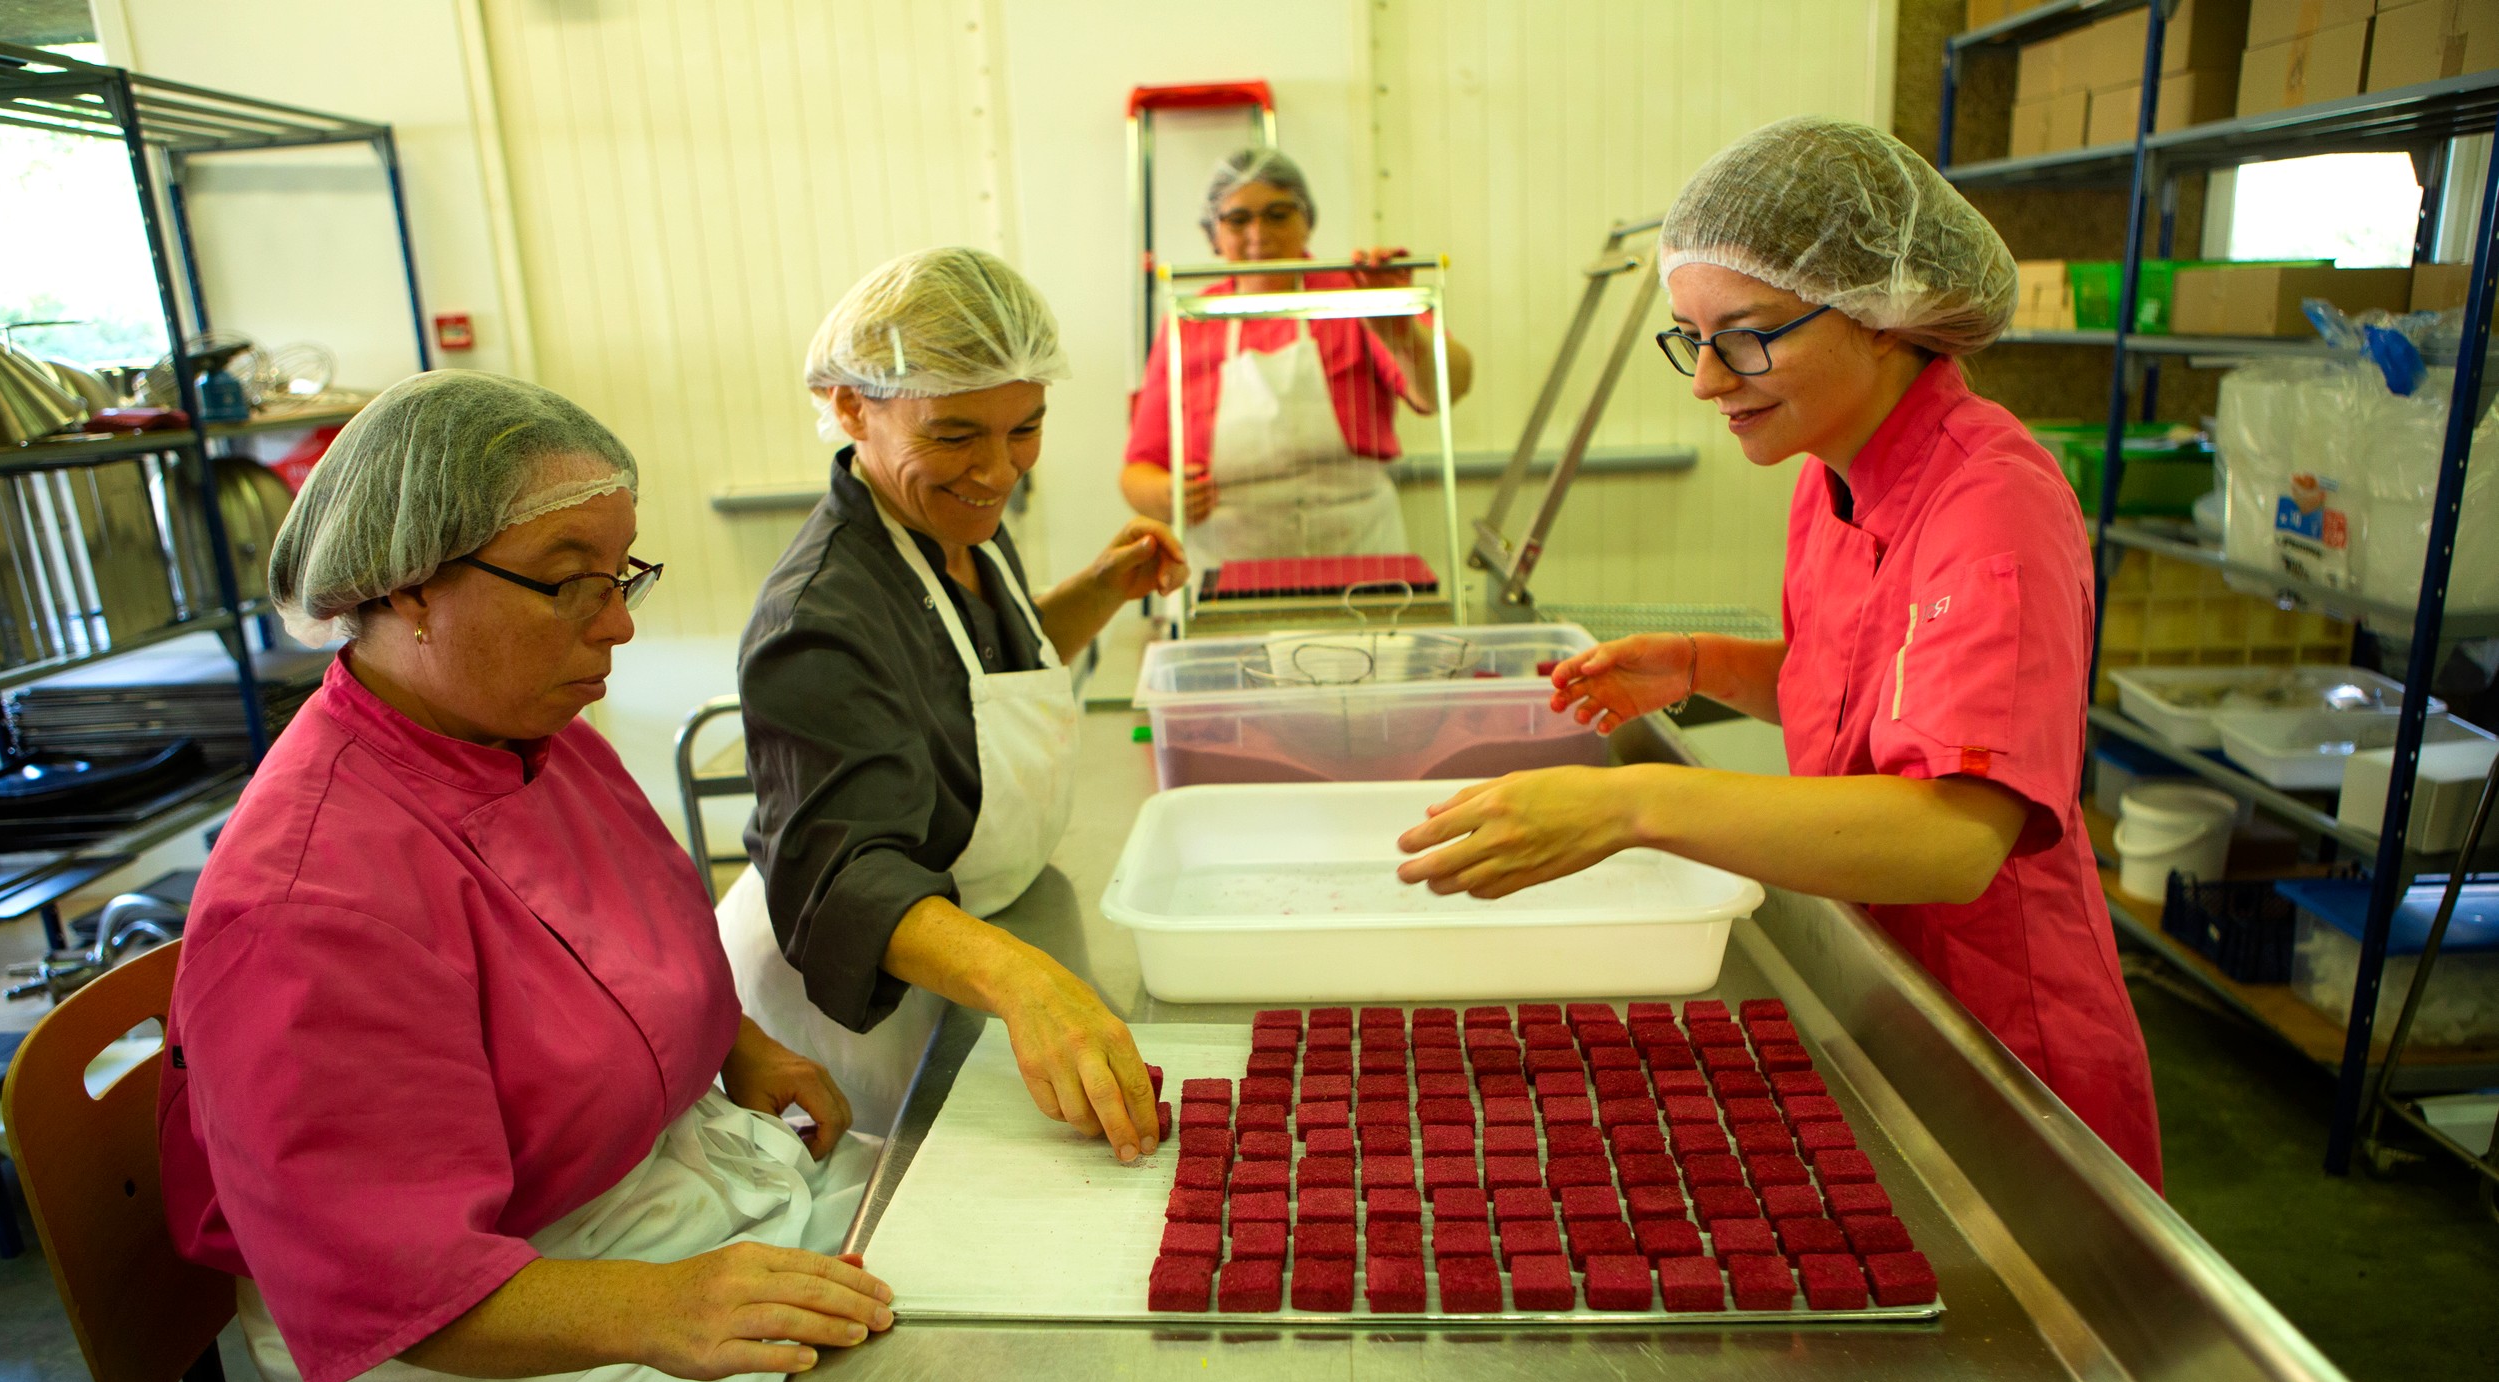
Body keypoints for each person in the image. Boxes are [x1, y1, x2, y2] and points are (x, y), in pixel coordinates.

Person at [155, 372, 893, 1382]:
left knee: (971, 1264)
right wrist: (663, 1311)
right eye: (568, 579)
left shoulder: (532, 740)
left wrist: (738, 1048)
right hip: (464, 1362)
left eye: (622, 572)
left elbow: (620, 949)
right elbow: (394, 1285)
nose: (618, 624)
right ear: (403, 587)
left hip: (654, 1198)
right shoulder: (306, 898)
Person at [1393, 117, 2161, 1189]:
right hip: (1880, 973)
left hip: (2001, 1034)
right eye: (1690, 338)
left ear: (1885, 318)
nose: (1708, 382)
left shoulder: (1993, 504)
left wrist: (1629, 808)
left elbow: (1953, 833)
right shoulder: (1830, 468)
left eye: (1746, 335)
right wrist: (1707, 665)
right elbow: (1872, 685)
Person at [719, 247, 1187, 1153]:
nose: (1000, 469)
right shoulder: (815, 617)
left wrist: (1101, 587)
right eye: (956, 433)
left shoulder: (950, 523)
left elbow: (963, 672)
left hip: (971, 945)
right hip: (863, 1007)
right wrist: (1027, 980)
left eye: (1026, 428)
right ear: (852, 406)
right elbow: (842, 876)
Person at [1118, 147, 1474, 563]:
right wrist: (1168, 495)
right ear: (1213, 234)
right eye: (1238, 219)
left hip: (1358, 550)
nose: (1258, 233)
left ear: (1307, 222)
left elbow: (1448, 388)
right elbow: (1137, 470)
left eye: (1278, 214)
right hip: (1233, 561)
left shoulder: (1357, 294)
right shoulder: (1189, 323)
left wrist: (1399, 332)